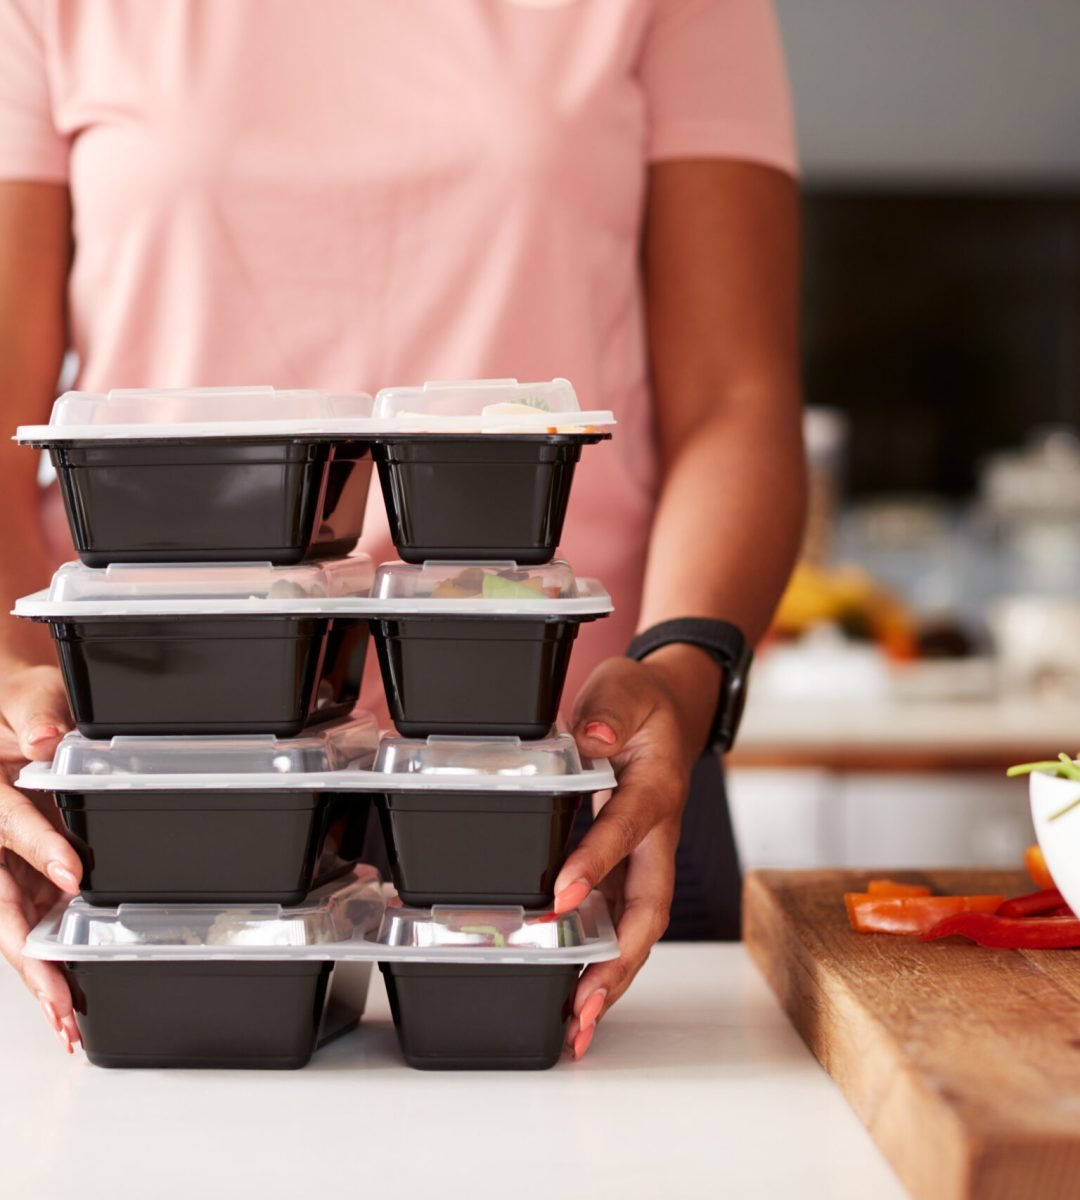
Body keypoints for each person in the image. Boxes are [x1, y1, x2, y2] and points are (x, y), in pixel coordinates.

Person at [0, 0, 805, 1061]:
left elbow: (737, 401)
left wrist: (684, 674)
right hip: (160, 778)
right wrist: (16, 699)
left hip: (577, 786)